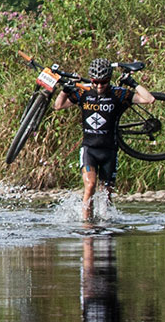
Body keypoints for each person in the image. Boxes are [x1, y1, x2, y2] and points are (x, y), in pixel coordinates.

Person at [53, 57, 155, 225]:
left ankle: (105, 228)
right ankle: (88, 228)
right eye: (96, 82)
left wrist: (132, 83)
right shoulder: (83, 92)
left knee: (107, 196)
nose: (100, 86)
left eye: (104, 82)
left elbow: (149, 99)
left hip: (110, 151)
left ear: (110, 79)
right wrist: (65, 90)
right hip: (89, 150)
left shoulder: (117, 93)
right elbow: (58, 106)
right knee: (90, 186)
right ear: (91, 80)